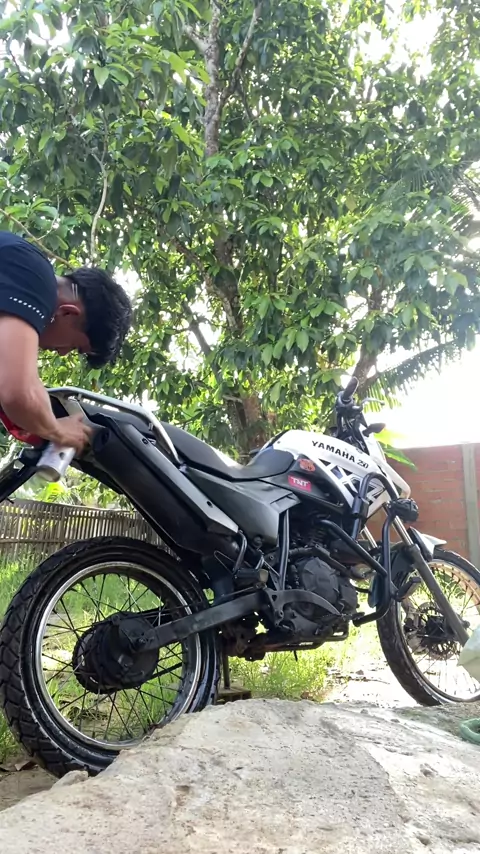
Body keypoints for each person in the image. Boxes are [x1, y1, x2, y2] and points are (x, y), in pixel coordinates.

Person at [0, 230, 132, 452]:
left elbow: (29, 384)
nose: (62, 353)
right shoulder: (35, 278)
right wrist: (58, 431)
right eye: (74, 347)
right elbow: (18, 394)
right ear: (69, 313)